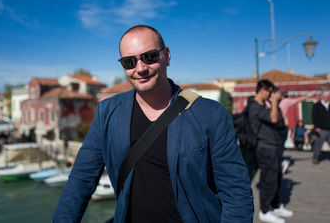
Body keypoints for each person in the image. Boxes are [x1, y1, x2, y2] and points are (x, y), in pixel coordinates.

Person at [53, 25, 254, 222]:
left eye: (149, 57)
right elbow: (80, 181)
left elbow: (236, 192)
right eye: (129, 62)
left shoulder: (210, 114)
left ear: (166, 55)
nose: (140, 68)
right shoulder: (108, 112)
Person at [248, 79, 293, 223]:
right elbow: (273, 119)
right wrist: (274, 102)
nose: (272, 94)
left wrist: (276, 103)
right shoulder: (254, 106)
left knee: (277, 178)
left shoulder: (263, 105)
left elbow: (278, 121)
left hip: (273, 147)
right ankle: (265, 211)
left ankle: (275, 205)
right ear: (263, 90)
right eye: (270, 91)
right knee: (268, 180)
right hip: (265, 148)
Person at [311, 89, 330, 164]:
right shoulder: (316, 105)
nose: (327, 97)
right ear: (322, 96)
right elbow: (314, 117)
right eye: (326, 96)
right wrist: (316, 127)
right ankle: (315, 157)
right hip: (321, 129)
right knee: (318, 145)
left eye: (328, 96)